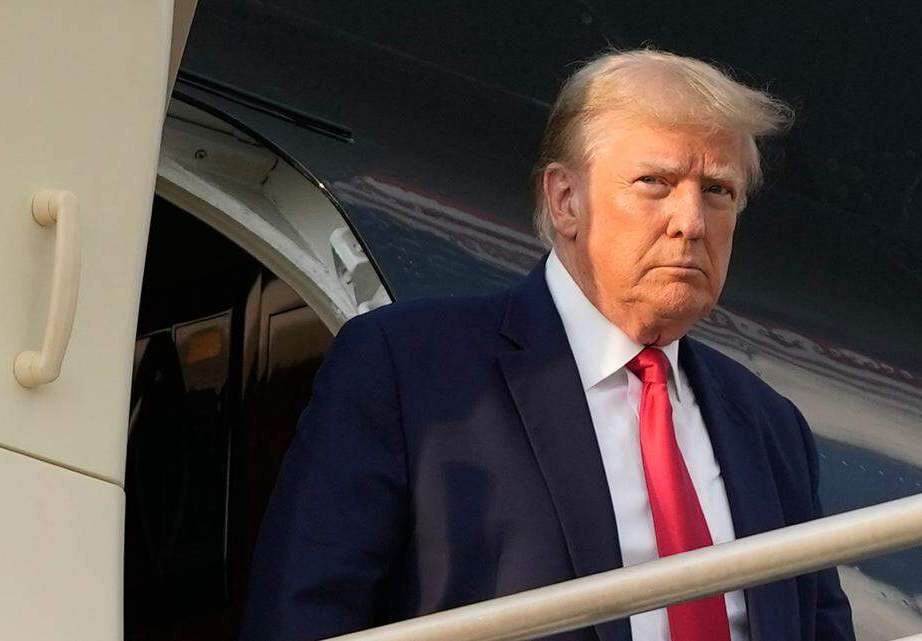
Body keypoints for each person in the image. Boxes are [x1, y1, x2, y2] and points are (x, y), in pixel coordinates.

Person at [240, 48, 855, 641]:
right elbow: (302, 617)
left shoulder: (770, 427)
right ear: (566, 200)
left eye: (718, 191)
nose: (691, 220)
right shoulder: (407, 369)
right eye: (655, 182)